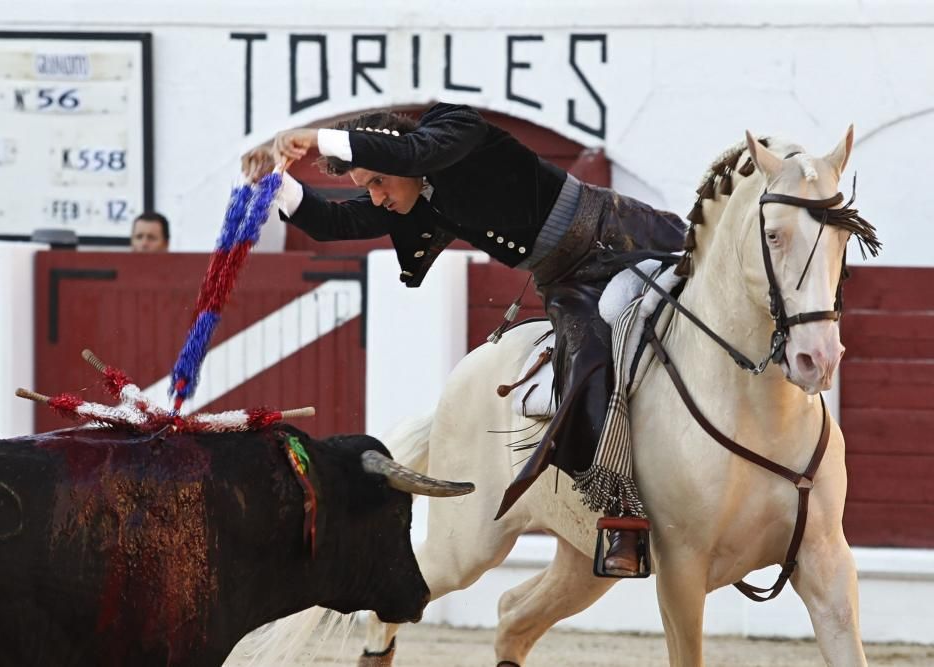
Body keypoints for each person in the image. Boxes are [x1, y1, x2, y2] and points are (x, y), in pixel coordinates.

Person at [242, 103, 686, 576]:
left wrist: (315, 136)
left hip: (626, 232)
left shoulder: (455, 127)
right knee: (587, 370)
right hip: (569, 282)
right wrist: (274, 182)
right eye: (366, 187)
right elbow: (336, 223)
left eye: (376, 182)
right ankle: (622, 518)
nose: (375, 198)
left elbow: (416, 151)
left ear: (395, 159)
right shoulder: (420, 203)